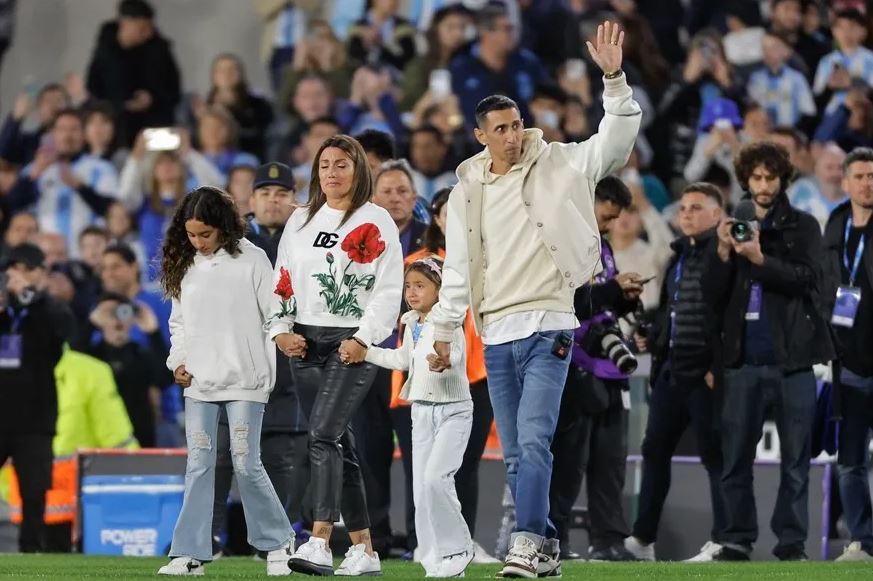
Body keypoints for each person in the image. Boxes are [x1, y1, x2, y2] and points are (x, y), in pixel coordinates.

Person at [427, 20, 641, 577]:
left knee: (534, 438)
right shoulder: (466, 191)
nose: (512, 135)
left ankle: (524, 540)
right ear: (480, 135)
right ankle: (544, 546)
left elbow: (614, 145)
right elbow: (457, 268)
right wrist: (446, 332)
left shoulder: (561, 163)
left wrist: (614, 80)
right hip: (495, 333)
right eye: (499, 129)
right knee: (519, 452)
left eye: (516, 124)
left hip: (549, 324)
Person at [268, 134, 403, 576]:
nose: (331, 172)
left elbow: (388, 288)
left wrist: (365, 338)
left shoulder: (376, 219)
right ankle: (365, 550)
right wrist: (279, 330)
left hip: (351, 343)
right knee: (337, 443)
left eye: (341, 164)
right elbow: (283, 276)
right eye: (325, 164)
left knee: (322, 434)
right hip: (303, 342)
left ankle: (320, 540)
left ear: (358, 169)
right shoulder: (301, 219)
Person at [157, 186, 293, 576]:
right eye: (191, 235)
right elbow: (178, 323)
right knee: (199, 466)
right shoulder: (185, 265)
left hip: (247, 382)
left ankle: (279, 544)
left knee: (246, 463)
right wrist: (177, 361)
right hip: (200, 384)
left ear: (224, 228)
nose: (197, 242)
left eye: (205, 235)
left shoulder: (253, 260)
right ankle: (189, 553)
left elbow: (275, 315)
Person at [712, 141, 834, 561]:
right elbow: (714, 296)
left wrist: (761, 258)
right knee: (734, 461)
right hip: (741, 361)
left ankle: (792, 543)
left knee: (796, 462)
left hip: (793, 361)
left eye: (771, 177)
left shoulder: (803, 227)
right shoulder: (734, 223)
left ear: (783, 180)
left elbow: (808, 281)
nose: (763, 186)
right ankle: (735, 538)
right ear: (745, 179)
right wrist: (725, 254)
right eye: (756, 178)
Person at [623, 182, 729, 562]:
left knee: (715, 456)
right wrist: (654, 337)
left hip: (704, 373)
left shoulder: (723, 255)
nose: (686, 214)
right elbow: (675, 310)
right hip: (672, 371)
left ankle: (723, 539)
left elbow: (723, 318)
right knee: (654, 450)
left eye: (696, 207)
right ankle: (642, 539)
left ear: (718, 215)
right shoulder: (680, 255)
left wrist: (717, 367)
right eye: (683, 208)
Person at [210, 162, 308, 558]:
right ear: (251, 201)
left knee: (281, 458)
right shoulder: (229, 241)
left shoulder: (305, 240)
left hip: (284, 366)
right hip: (234, 362)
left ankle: (275, 541)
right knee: (220, 456)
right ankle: (210, 536)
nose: (273, 200)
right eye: (265, 193)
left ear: (293, 200)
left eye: (281, 193)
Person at [548, 176, 640, 563]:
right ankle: (555, 539)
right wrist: (611, 291)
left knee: (610, 462)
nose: (607, 226)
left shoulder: (601, 247)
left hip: (607, 369)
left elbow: (600, 302)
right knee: (569, 462)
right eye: (604, 217)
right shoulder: (561, 241)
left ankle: (609, 541)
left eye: (613, 219)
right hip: (572, 364)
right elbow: (567, 300)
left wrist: (623, 300)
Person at [364, 257, 474, 577]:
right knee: (421, 491)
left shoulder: (447, 319)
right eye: (408, 286)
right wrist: (366, 351)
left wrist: (445, 361)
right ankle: (432, 560)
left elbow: (454, 353)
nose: (411, 292)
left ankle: (457, 549)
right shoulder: (413, 323)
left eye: (420, 286)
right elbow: (402, 360)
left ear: (440, 290)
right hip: (420, 412)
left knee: (436, 480)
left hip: (453, 410)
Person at [403, 187, 496, 564]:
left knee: (464, 466)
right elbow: (409, 332)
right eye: (446, 212)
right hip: (427, 380)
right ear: (437, 219)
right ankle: (430, 546)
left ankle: (463, 541)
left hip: (478, 371)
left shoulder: (488, 260)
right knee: (425, 472)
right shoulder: (417, 265)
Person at [0, 243, 75, 553]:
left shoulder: (51, 308)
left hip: (35, 417)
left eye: (28, 269)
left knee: (34, 492)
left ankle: (30, 553)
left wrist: (33, 298)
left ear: (42, 273)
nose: (20, 277)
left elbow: (64, 334)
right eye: (14, 270)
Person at [822, 147, 873, 562]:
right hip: (850, 363)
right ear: (846, 182)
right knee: (850, 460)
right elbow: (826, 287)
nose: (868, 182)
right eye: (860, 176)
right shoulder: (836, 225)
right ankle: (862, 541)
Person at [5, 109, 120, 257]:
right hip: (45, 257)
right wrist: (34, 174)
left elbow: (112, 212)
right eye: (62, 129)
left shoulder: (102, 168)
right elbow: (12, 206)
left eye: (74, 129)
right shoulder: (35, 169)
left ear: (83, 134)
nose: (68, 135)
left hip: (89, 256)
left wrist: (79, 186)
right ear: (53, 134)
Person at [85, 0, 181, 146]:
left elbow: (174, 91)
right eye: (142, 28)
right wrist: (122, 103)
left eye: (150, 27)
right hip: (116, 128)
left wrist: (152, 98)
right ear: (124, 24)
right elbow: (94, 87)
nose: (148, 33)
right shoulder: (106, 50)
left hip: (155, 125)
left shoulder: (160, 49)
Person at [87, 291, 168, 448]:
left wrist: (153, 332)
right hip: (99, 440)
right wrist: (91, 324)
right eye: (110, 313)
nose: (117, 319)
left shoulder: (141, 355)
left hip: (140, 440)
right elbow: (73, 357)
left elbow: (165, 378)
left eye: (122, 312)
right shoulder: (90, 357)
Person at [449, 2, 547, 129]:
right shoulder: (462, 68)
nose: (511, 34)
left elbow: (547, 97)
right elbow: (452, 107)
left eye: (512, 29)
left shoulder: (527, 63)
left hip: (526, 137)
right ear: (485, 32)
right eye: (506, 29)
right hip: (476, 142)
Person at [195, 53, 274, 160]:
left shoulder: (258, 104)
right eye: (222, 70)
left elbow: (261, 134)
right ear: (214, 76)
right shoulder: (205, 106)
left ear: (240, 74)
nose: (227, 74)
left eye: (232, 69)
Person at [746, 30, 816, 129]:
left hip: (790, 132)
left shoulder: (797, 78)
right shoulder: (756, 78)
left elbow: (808, 110)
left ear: (786, 51)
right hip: (763, 133)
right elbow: (752, 109)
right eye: (764, 48)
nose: (768, 52)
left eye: (773, 47)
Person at [812, 9, 873, 117]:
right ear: (833, 31)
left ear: (863, 31)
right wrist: (829, 87)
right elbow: (817, 95)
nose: (846, 32)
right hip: (832, 117)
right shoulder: (826, 61)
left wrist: (853, 82)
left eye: (852, 27)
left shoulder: (870, 59)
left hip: (863, 118)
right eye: (840, 27)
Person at [0, 83, 68, 165]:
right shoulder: (29, 142)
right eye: (48, 101)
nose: (53, 105)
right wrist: (16, 118)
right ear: (39, 109)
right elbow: (4, 152)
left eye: (59, 100)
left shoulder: (80, 140)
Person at [788, 143, 847, 232]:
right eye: (829, 168)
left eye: (840, 168)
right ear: (817, 170)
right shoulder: (799, 192)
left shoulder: (860, 200)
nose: (835, 173)